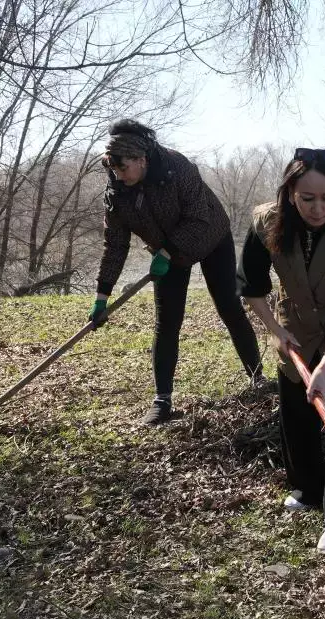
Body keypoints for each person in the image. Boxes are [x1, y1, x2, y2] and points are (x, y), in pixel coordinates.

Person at [237, 148, 325, 555]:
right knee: (295, 414)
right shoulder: (267, 223)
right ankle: (307, 487)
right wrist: (276, 331)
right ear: (290, 194)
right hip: (294, 331)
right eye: (307, 199)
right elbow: (252, 284)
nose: (318, 209)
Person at [92, 119, 264, 424]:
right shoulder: (117, 193)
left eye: (122, 168)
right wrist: (101, 296)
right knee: (167, 322)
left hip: (211, 237)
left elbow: (198, 217)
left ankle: (258, 377)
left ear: (141, 160)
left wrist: (167, 252)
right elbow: (115, 246)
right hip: (168, 254)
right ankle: (162, 401)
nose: (117, 175)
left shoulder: (178, 168)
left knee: (228, 306)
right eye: (113, 169)